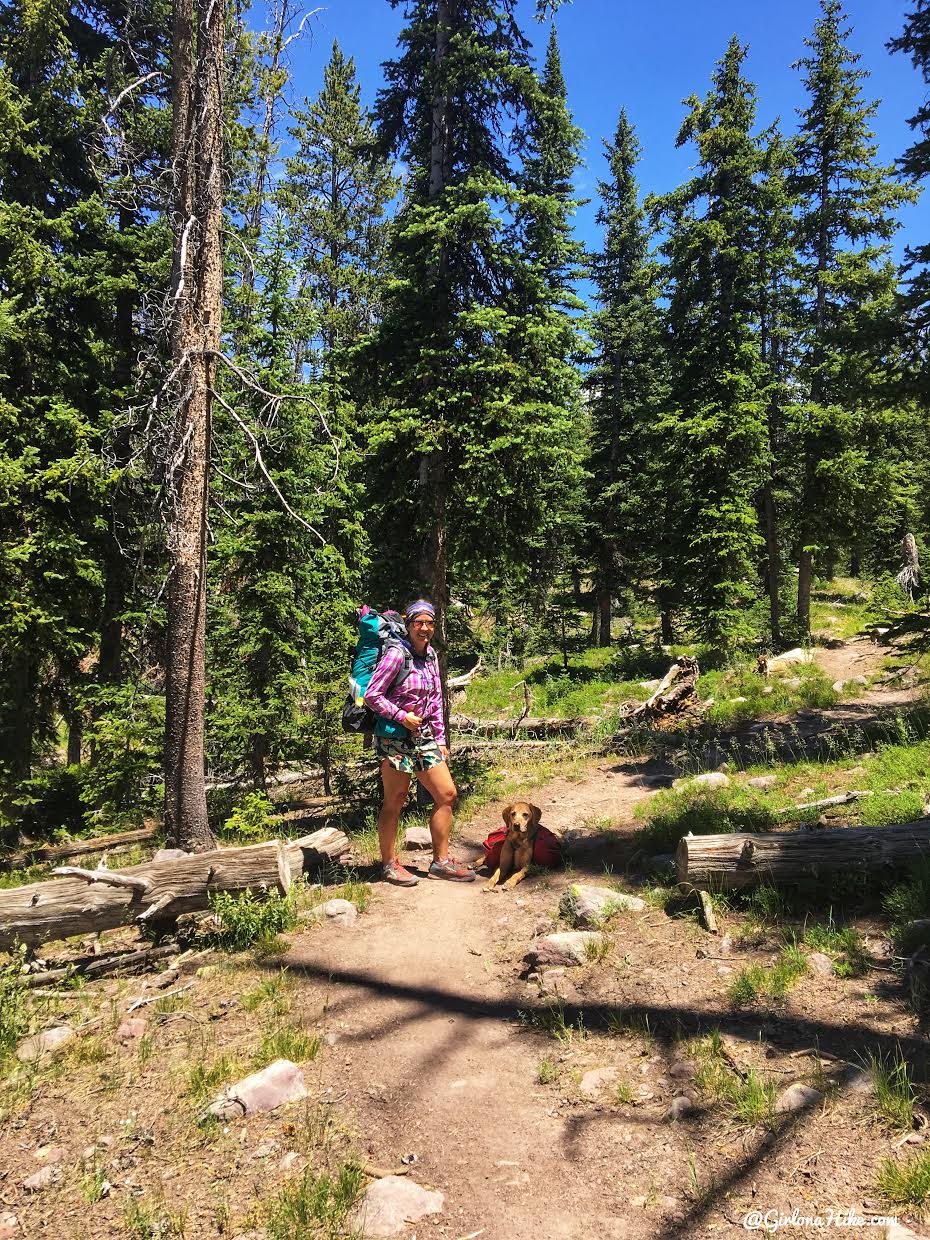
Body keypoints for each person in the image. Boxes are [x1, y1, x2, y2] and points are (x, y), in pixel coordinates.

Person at [364, 599, 475, 885]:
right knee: (395, 799)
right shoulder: (396, 655)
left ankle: (440, 863)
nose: (424, 628)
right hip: (396, 738)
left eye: (429, 623)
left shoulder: (431, 656)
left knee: (446, 794)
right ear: (409, 624)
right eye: (419, 623)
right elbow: (373, 695)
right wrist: (401, 716)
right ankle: (389, 864)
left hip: (424, 737)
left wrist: (439, 738)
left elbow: (436, 699)